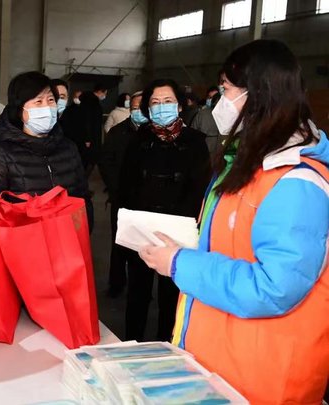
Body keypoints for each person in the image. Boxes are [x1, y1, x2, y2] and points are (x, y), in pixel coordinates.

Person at [139, 40, 329, 404]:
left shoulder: (296, 182)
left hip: (265, 379)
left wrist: (180, 263)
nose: (219, 103)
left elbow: (275, 287)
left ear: (257, 94)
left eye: (225, 90)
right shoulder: (247, 162)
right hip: (225, 362)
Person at [119, 78, 210, 342]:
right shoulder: (138, 140)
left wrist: (188, 223)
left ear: (180, 106)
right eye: (155, 103)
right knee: (138, 291)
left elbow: (200, 187)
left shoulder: (195, 142)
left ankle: (167, 343)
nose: (161, 107)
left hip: (178, 228)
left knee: (173, 292)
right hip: (141, 226)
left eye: (168, 101)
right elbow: (126, 184)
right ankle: (131, 342)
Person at [0, 71, 93, 228]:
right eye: (38, 102)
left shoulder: (69, 148)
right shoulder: (1, 154)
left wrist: (85, 229)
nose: (47, 107)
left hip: (67, 241)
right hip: (24, 245)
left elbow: (82, 197)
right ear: (20, 110)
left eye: (51, 100)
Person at [99, 91, 148, 297]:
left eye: (142, 108)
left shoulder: (154, 133)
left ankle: (142, 285)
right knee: (119, 242)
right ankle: (117, 282)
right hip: (121, 196)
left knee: (144, 243)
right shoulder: (118, 133)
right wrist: (115, 188)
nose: (138, 112)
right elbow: (106, 162)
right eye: (135, 108)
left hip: (147, 200)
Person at [77, 83, 107, 178]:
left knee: (87, 162)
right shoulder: (92, 103)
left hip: (90, 137)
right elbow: (88, 121)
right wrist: (88, 138)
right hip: (91, 139)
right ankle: (82, 185)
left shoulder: (88, 101)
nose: (105, 96)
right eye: (105, 93)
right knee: (89, 161)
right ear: (100, 92)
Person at [191, 91, 222, 156]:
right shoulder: (202, 114)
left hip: (203, 150)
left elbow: (193, 132)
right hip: (219, 152)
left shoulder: (202, 113)